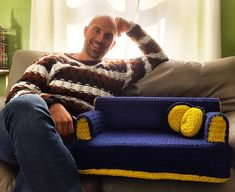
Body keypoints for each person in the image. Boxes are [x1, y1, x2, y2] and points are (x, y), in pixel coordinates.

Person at [0, 15, 168, 192]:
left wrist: (132, 28)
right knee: (26, 104)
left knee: (44, 156)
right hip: (17, 130)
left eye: (108, 36)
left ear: (113, 44)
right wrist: (53, 105)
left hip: (61, 140)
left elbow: (157, 56)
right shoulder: (52, 60)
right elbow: (19, 90)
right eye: (97, 30)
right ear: (85, 31)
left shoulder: (118, 71)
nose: (100, 38)